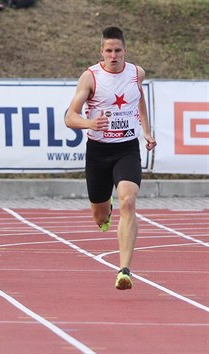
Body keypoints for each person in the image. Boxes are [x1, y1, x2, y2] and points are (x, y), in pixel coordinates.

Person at [64, 26, 157, 290]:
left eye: (118, 51)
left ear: (125, 51)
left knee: (129, 201)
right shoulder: (90, 77)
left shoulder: (136, 73)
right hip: (99, 153)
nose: (113, 56)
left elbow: (138, 100)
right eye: (108, 51)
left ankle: (124, 270)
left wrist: (147, 131)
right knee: (99, 216)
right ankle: (105, 212)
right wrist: (88, 124)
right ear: (101, 52)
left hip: (127, 149)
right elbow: (69, 116)